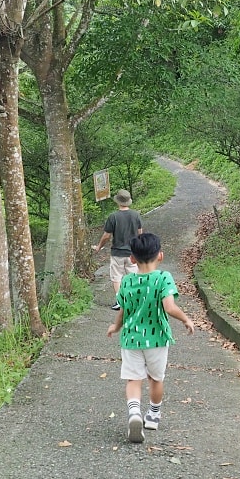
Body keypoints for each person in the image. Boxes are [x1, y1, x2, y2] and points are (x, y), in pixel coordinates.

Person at [106, 232, 195, 443]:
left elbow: (123, 310)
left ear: (132, 259)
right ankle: (153, 415)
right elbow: (170, 307)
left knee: (133, 379)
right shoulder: (163, 278)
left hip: (131, 339)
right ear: (160, 256)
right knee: (155, 378)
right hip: (157, 339)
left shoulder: (126, 281)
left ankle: (134, 413)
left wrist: (115, 327)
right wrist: (186, 319)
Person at [94, 189, 143, 310]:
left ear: (118, 202)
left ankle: (120, 301)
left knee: (117, 277)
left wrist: (99, 246)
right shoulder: (136, 215)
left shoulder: (113, 217)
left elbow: (106, 235)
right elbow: (140, 233)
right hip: (132, 252)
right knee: (134, 276)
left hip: (117, 252)